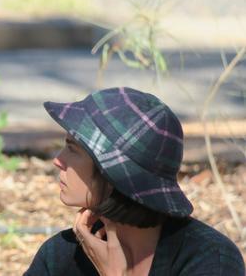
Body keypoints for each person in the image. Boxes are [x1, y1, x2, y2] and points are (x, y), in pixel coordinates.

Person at [25, 87, 245, 276]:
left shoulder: (210, 260)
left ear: (112, 175)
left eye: (72, 149)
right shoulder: (60, 256)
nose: (58, 160)